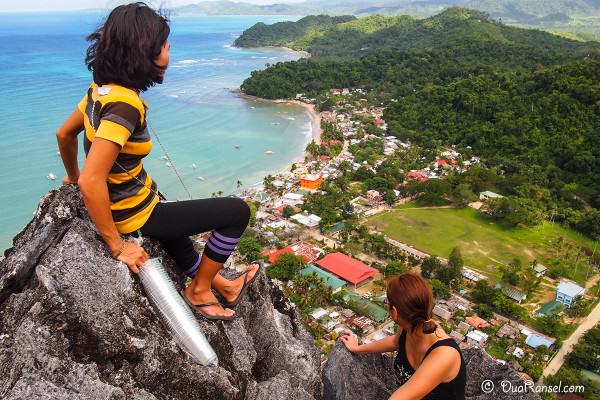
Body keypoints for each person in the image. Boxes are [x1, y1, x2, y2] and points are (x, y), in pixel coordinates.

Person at [55, 2, 259, 321]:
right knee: (236, 212)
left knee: (177, 236)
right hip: (133, 214)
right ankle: (199, 291)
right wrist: (117, 246)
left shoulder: (100, 92)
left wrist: (70, 174)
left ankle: (225, 286)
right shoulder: (124, 105)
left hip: (141, 199)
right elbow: (91, 179)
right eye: (163, 46)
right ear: (142, 52)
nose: (168, 54)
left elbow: (64, 135)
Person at [340, 273, 466, 399]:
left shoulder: (444, 355)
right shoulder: (410, 326)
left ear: (394, 312)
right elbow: (396, 341)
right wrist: (357, 349)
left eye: (386, 303)